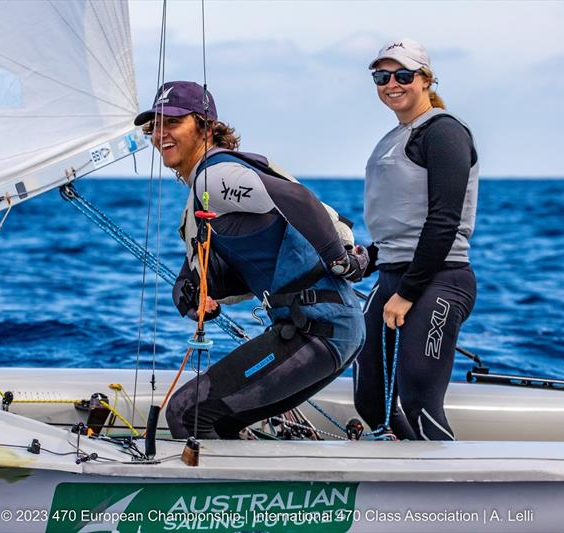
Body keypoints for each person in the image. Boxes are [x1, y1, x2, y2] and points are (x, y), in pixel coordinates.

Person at [134, 81, 367, 439]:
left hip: (318, 332)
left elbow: (299, 200)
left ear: (205, 126)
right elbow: (208, 276)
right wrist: (196, 298)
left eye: (174, 122)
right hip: (327, 331)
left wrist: (339, 259)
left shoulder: (215, 177)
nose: (162, 133)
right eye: (157, 125)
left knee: (186, 412)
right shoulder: (202, 195)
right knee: (220, 419)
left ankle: (214, 496)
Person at [355, 39, 479, 441]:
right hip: (391, 277)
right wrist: (365, 258)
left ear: (425, 80)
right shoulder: (392, 137)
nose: (392, 83)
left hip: (437, 279)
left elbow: (444, 220)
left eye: (403, 75)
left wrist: (408, 293)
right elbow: (399, 228)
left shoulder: (444, 132)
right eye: (382, 76)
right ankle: (397, 478)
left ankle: (455, 494)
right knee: (370, 398)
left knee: (417, 402)